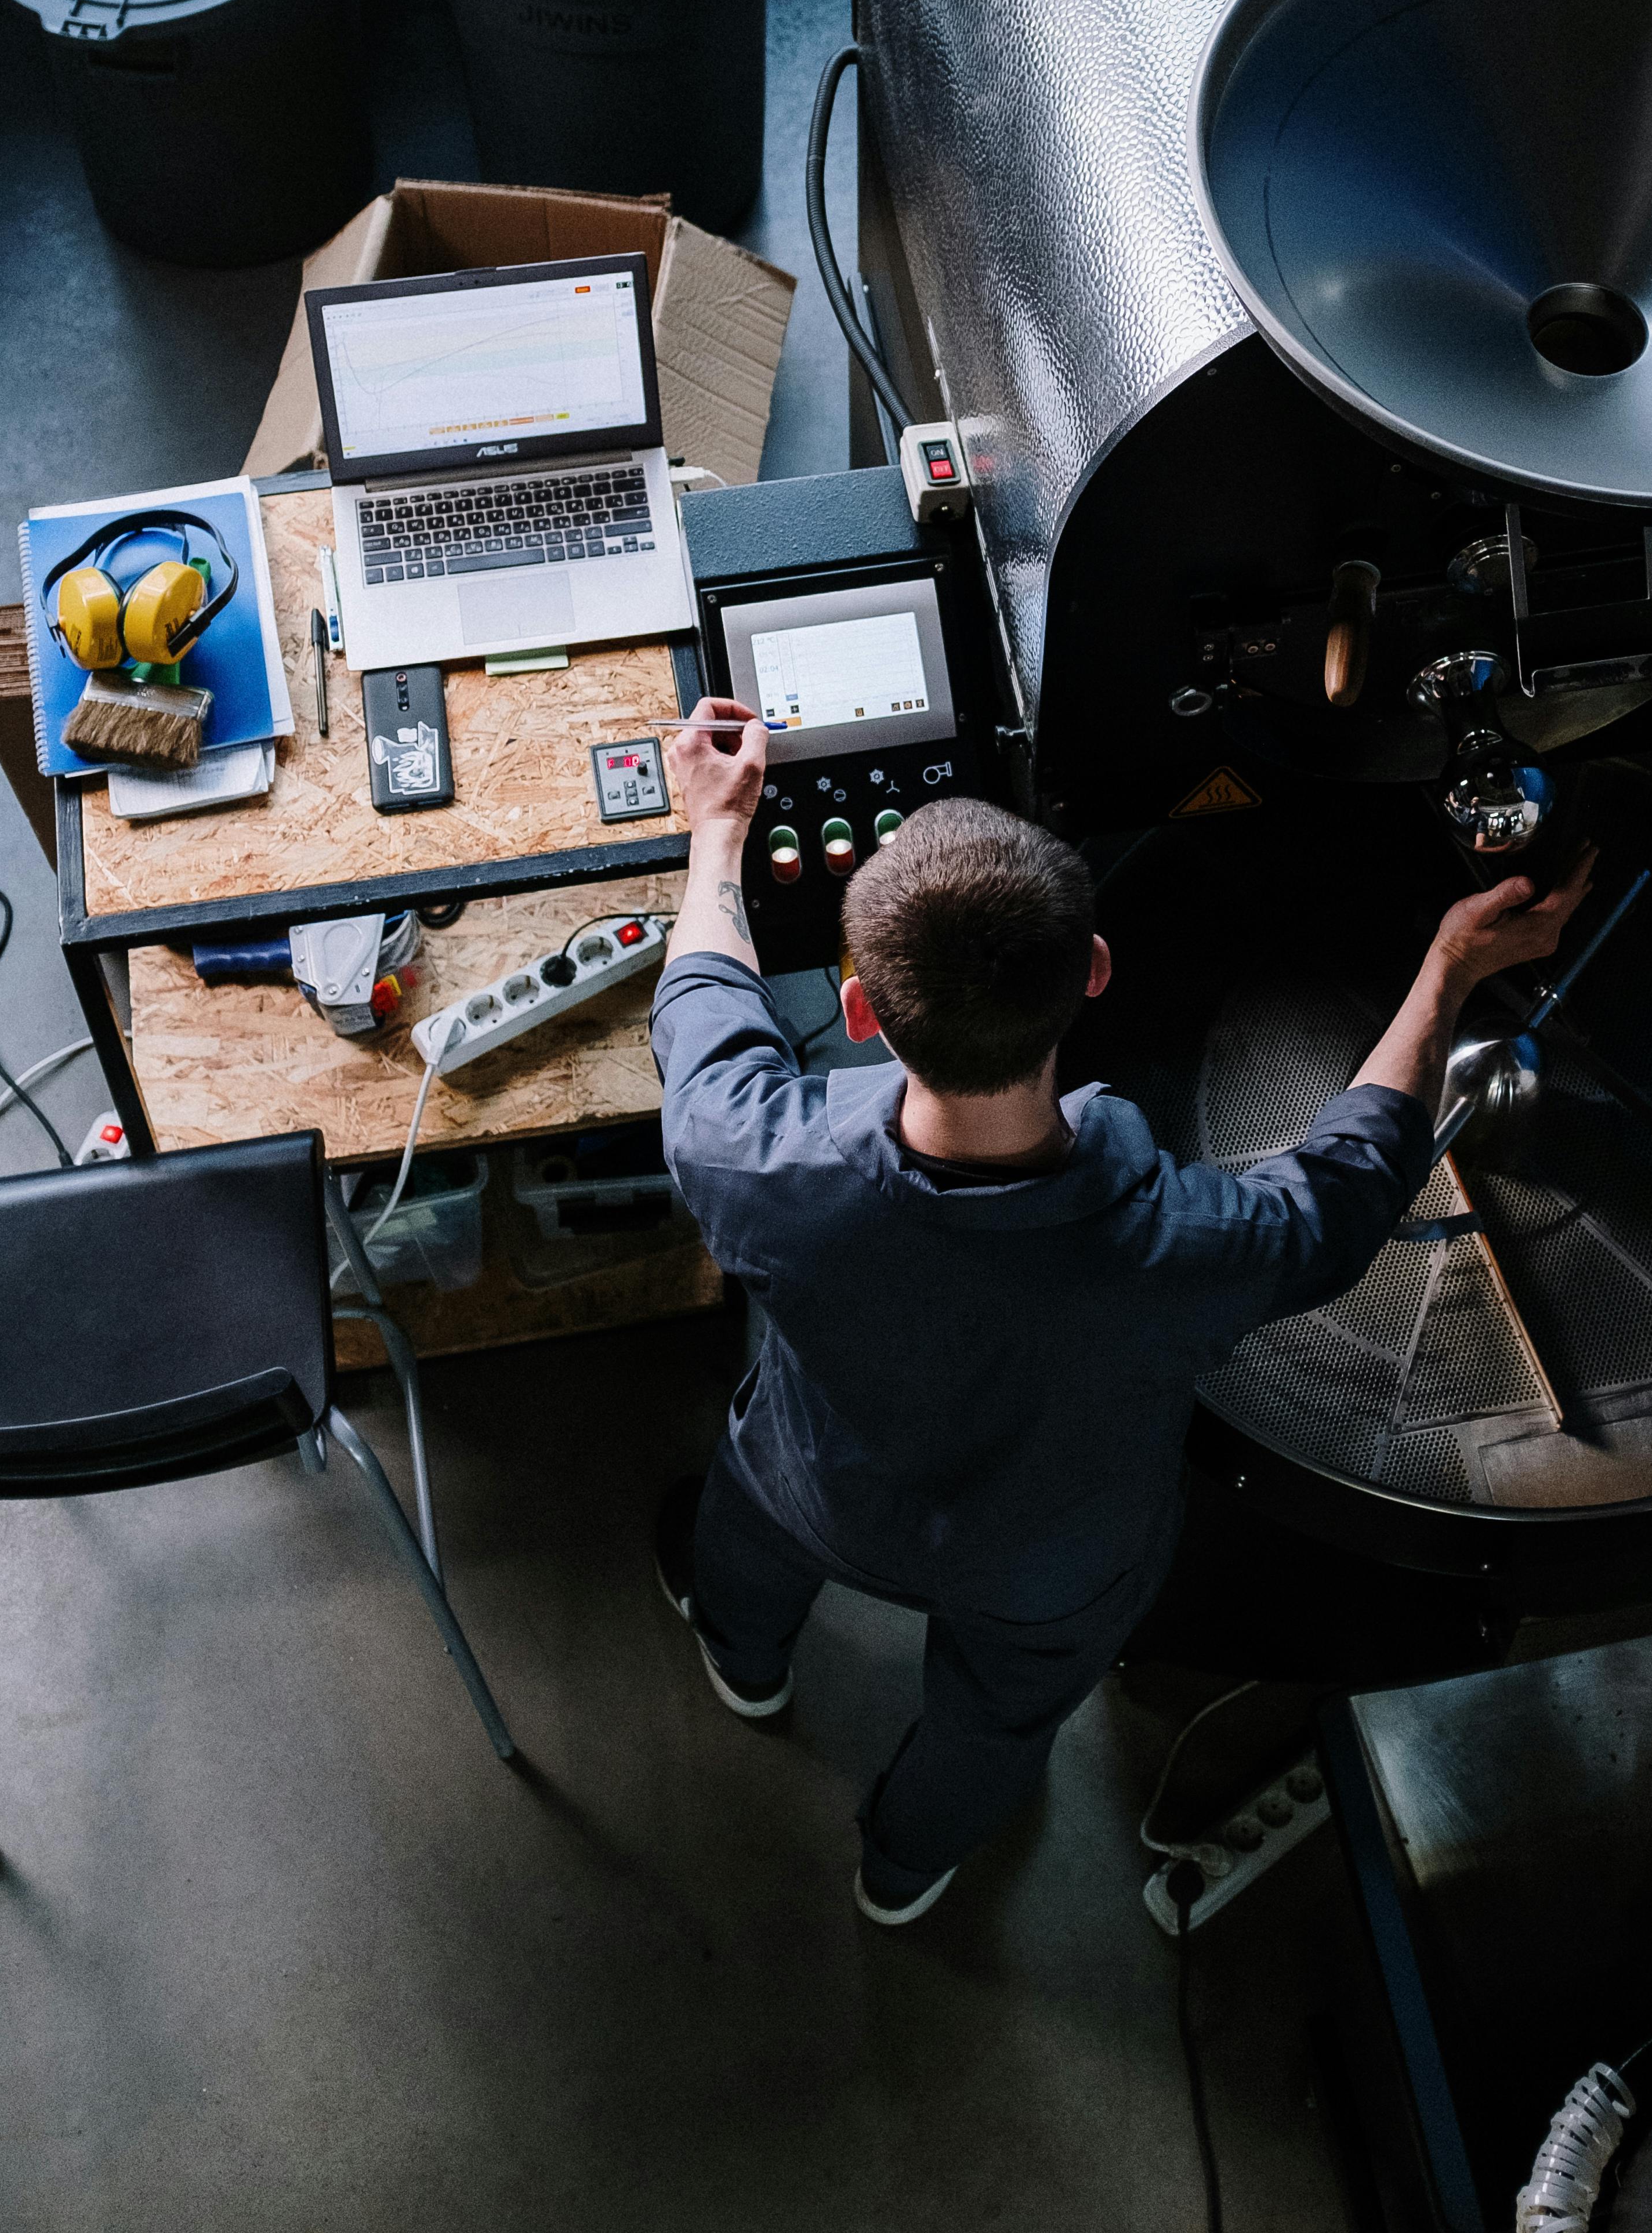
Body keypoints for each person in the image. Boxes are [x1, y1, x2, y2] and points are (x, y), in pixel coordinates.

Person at [650, 694, 1595, 1927]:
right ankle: (899, 1869)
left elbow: (702, 1000)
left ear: (862, 1011)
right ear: (1093, 973)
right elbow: (1356, 1176)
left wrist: (716, 833)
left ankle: (746, 1667)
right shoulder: (1192, 1245)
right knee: (994, 1722)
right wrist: (1449, 969)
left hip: (807, 1484)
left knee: (741, 1549)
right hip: (1049, 1568)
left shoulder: (751, 1159)